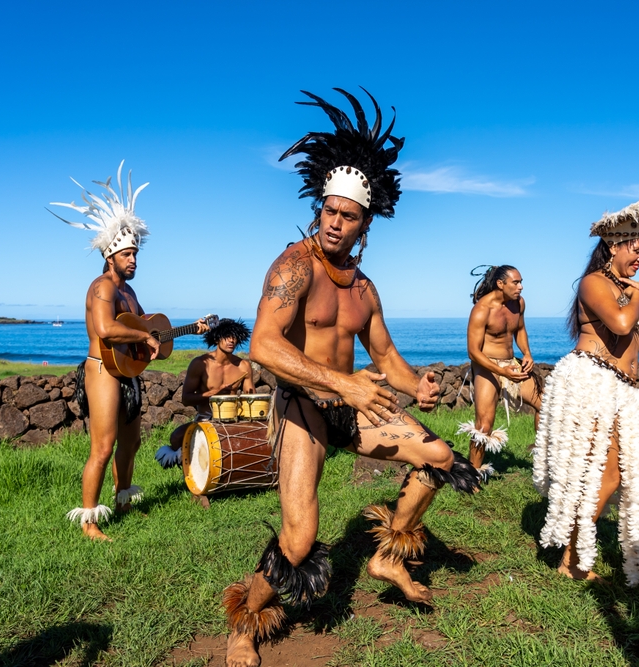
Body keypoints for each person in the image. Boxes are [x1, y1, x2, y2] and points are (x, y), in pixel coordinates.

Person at [223, 88, 480, 667]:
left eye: (349, 216)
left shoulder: (364, 290)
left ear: (366, 223)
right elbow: (263, 347)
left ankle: (388, 555)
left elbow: (385, 356)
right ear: (319, 208)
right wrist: (343, 385)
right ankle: (244, 620)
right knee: (298, 540)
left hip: (352, 403)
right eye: (329, 211)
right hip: (301, 407)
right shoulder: (293, 265)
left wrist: (416, 385)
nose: (336, 224)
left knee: (441, 458)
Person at [531, 188, 639, 589]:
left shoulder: (635, 291)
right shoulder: (593, 283)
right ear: (612, 247)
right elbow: (622, 324)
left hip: (621, 392)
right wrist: (636, 294)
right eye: (636, 250)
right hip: (591, 384)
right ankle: (572, 560)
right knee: (607, 477)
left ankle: (636, 543)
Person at [50, 161, 207, 541]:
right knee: (102, 447)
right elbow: (106, 329)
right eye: (127, 255)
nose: (134, 259)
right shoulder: (102, 287)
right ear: (110, 256)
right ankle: (89, 521)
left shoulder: (130, 292)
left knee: (131, 441)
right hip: (101, 372)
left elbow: (144, 329)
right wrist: (144, 339)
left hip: (127, 374)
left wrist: (182, 331)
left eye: (136, 253)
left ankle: (122, 501)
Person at [459, 264, 541, 480]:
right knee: (484, 425)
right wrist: (501, 372)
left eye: (521, 282)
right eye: (516, 282)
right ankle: (472, 476)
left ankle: (544, 461)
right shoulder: (482, 309)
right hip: (487, 365)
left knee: (547, 404)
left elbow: (520, 330)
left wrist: (527, 354)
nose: (521, 287)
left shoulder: (518, 303)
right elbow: (473, 352)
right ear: (500, 284)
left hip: (510, 363)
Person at [155, 319, 255, 469]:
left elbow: (250, 399)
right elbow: (186, 399)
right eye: (227, 335)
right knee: (176, 437)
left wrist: (249, 398)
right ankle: (194, 473)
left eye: (235, 336)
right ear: (216, 338)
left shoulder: (243, 366)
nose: (231, 340)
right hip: (206, 419)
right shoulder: (200, 364)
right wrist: (213, 393)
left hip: (233, 419)